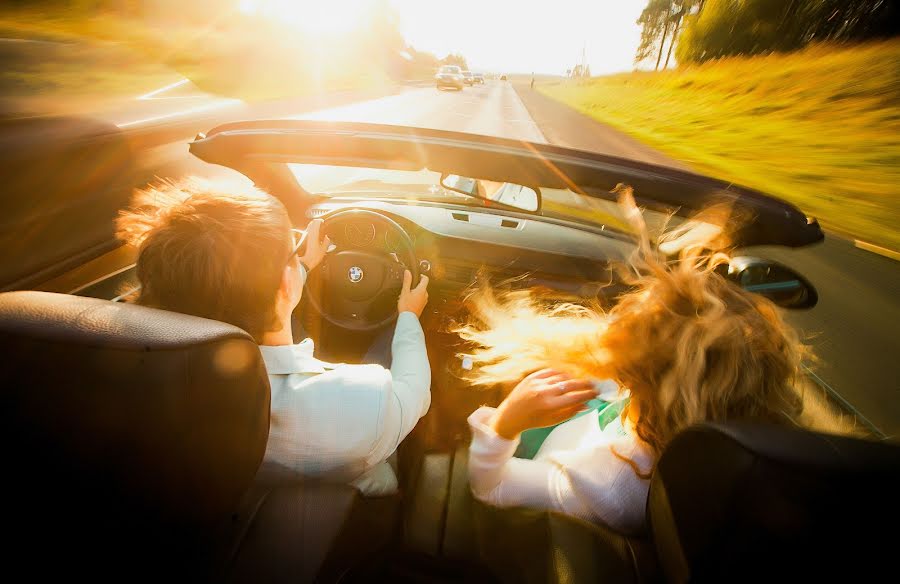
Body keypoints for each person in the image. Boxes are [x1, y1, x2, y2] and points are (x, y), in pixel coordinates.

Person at [457, 187, 840, 533]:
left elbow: (491, 487)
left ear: (641, 377)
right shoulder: (724, 431)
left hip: (551, 452)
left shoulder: (605, 487)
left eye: (630, 357)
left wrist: (507, 423)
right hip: (600, 421)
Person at [117, 177, 431, 496]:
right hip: (343, 512)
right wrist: (408, 316)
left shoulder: (129, 382)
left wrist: (302, 265)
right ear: (285, 282)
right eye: (292, 251)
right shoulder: (365, 400)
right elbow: (414, 391)